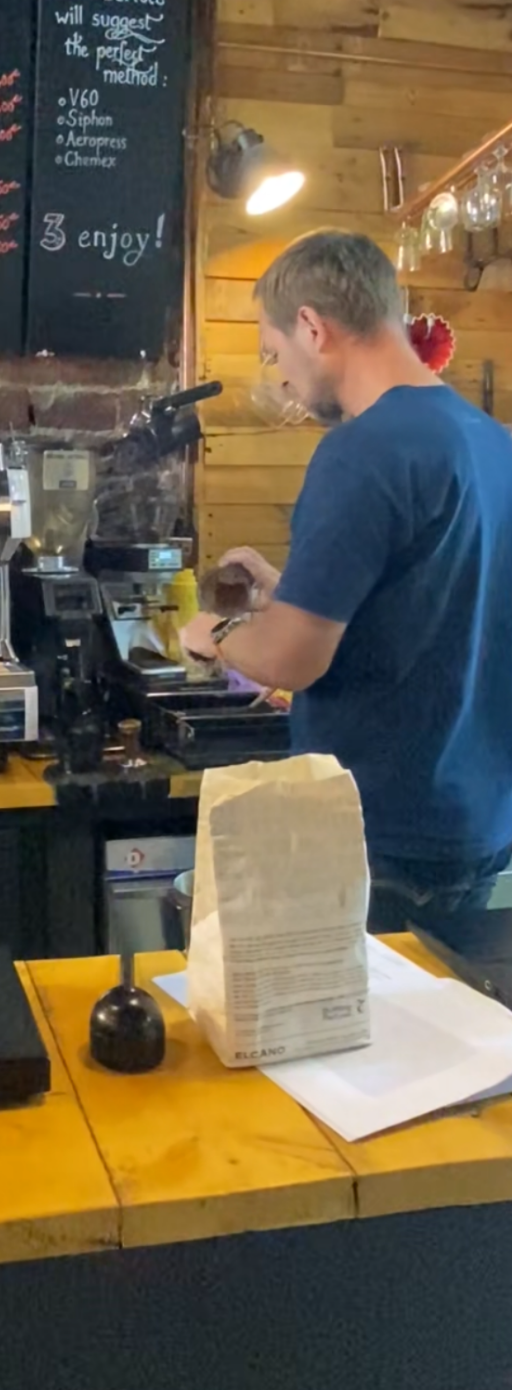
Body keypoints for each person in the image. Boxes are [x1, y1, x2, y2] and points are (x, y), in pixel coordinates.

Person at [181, 229, 512, 932]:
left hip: (377, 834)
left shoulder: (362, 451)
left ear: (312, 326)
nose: (280, 378)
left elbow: (289, 660)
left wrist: (216, 632)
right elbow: (443, 599)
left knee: (356, 1039)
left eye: (275, 353)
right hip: (478, 826)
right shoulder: (492, 441)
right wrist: (289, 590)